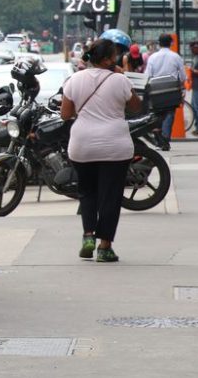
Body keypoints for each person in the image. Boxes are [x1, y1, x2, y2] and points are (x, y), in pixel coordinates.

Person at [60, 39, 144, 262]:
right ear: (107, 59)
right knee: (111, 196)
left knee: (87, 192)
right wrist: (120, 75)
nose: (117, 58)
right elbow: (136, 106)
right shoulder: (119, 80)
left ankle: (88, 235)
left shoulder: (74, 79)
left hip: (82, 145)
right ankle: (105, 246)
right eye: (114, 55)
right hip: (115, 146)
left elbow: (65, 114)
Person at [145, 33, 186, 141]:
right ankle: (165, 137)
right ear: (171, 43)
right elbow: (182, 76)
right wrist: (182, 88)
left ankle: (158, 135)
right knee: (170, 113)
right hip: (171, 89)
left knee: (157, 113)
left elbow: (147, 75)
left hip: (155, 89)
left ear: (159, 44)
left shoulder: (152, 57)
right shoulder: (176, 57)